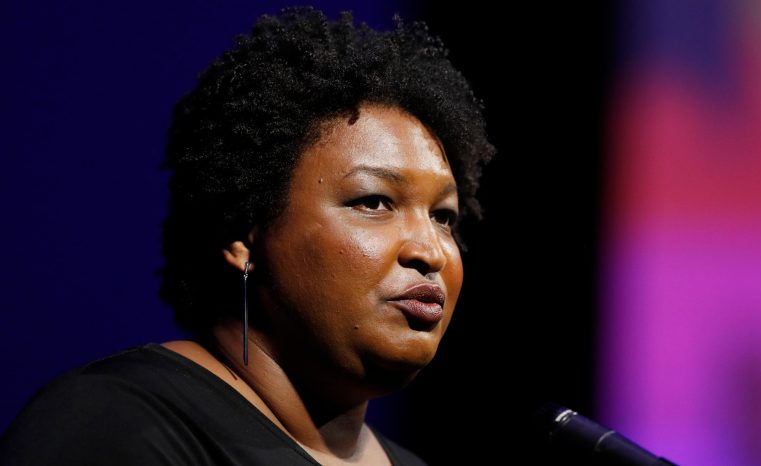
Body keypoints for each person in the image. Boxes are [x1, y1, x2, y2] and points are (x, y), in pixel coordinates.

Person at [0, 6, 494, 465]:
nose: (429, 249)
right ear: (243, 235)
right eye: (373, 202)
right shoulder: (114, 428)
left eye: (444, 216)